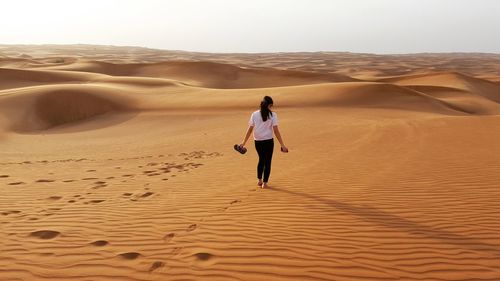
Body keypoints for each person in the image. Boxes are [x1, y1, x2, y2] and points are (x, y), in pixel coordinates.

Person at [238, 96, 288, 188]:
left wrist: (243, 143)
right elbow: (276, 130)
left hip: (258, 142)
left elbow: (250, 130)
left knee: (261, 160)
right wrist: (282, 145)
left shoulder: (254, 114)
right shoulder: (273, 115)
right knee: (268, 161)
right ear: (269, 105)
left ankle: (259, 181)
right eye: (271, 106)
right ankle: (265, 183)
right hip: (268, 141)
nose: (272, 108)